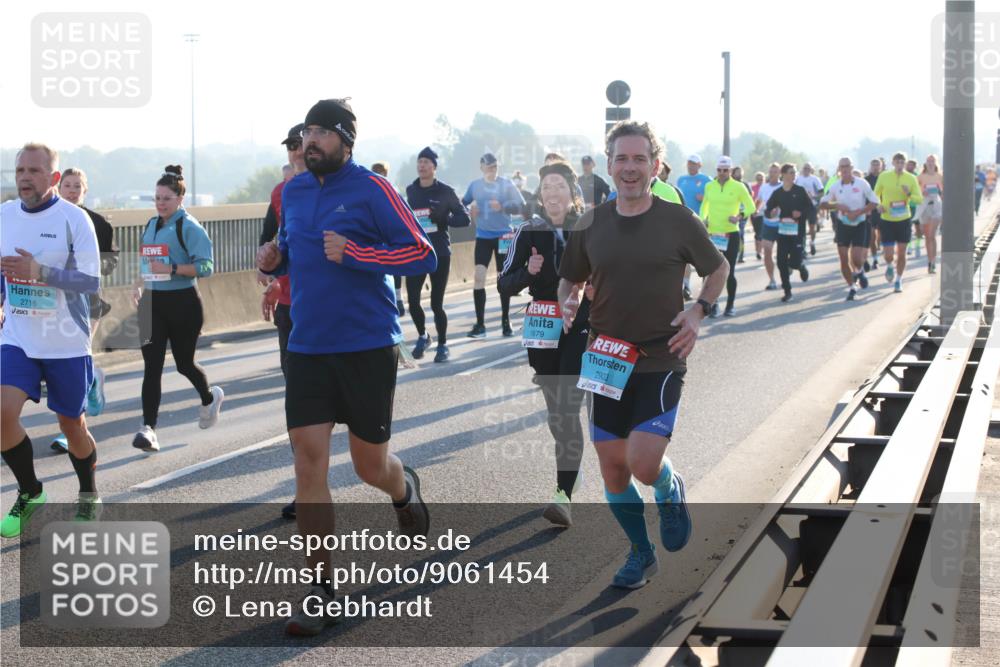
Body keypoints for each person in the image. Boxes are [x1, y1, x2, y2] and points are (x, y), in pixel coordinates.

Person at [256, 98, 437, 636]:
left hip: (366, 345)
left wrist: (358, 253)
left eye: (321, 132)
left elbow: (422, 253)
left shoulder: (373, 189)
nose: (309, 141)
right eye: (306, 132)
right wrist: (275, 260)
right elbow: (293, 248)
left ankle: (402, 488)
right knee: (308, 463)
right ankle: (320, 590)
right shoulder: (293, 192)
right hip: (308, 345)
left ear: (346, 140)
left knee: (368, 467)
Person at [558, 121, 728, 588]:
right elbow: (571, 276)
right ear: (609, 164)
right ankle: (640, 552)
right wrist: (568, 299)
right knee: (613, 469)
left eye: (639, 159)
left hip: (660, 356)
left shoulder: (678, 220)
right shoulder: (590, 222)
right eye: (622, 159)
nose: (630, 168)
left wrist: (698, 310)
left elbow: (718, 268)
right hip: (605, 357)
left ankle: (669, 489)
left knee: (643, 463)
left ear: (655, 165)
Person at [1, 143, 103, 536]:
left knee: (72, 425)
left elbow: (90, 281)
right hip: (18, 336)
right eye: (20, 170)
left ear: (54, 177)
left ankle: (89, 493)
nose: (25, 177)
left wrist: (39, 271)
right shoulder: (4, 216)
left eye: (34, 171)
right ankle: (31, 492)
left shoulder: (74, 219)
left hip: (65, 340)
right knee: (1, 413)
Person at [498, 160, 590, 526]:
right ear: (540, 193)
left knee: (567, 405)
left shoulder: (587, 228)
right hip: (542, 325)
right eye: (547, 186)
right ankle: (571, 470)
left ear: (572, 192)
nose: (553, 193)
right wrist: (528, 272)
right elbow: (504, 283)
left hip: (580, 322)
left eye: (560, 186)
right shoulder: (528, 231)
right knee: (557, 413)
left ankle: (562, 495)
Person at [131, 166, 224, 453]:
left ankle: (209, 398)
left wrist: (171, 268)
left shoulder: (189, 227)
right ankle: (148, 429)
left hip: (183, 303)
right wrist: (139, 283)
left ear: (180, 199)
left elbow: (206, 267)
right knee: (152, 366)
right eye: (157, 198)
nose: (160, 203)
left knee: (184, 364)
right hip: (151, 303)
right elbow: (147, 261)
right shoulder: (151, 224)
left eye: (166, 198)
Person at [49, 167, 120, 452]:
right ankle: (92, 381)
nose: (72, 190)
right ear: (58, 188)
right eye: (67, 185)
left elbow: (111, 261)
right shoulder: (50, 219)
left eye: (77, 186)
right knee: (65, 363)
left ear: (85, 191)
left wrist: (91, 265)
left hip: (88, 300)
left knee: (75, 359)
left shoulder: (97, 223)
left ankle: (72, 432)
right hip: (56, 300)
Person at [259, 123, 306, 520]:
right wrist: (274, 274)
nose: (295, 150)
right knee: (299, 402)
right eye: (290, 145)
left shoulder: (354, 189)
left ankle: (393, 480)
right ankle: (306, 489)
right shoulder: (282, 193)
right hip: (292, 309)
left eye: (301, 143)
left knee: (367, 449)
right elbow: (281, 244)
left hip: (336, 312)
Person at [405, 146, 471, 363]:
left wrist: (444, 219)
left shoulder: (446, 191)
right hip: (417, 252)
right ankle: (423, 336)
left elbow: (465, 219)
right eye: (419, 161)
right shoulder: (411, 191)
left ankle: (443, 345)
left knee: (436, 304)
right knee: (413, 301)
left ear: (434, 167)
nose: (421, 165)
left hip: (440, 252)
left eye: (426, 162)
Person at [462, 153, 525, 338]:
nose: (493, 170)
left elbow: (521, 206)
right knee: (479, 276)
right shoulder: (475, 186)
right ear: (482, 168)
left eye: (495, 167)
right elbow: (461, 205)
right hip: (483, 236)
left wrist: (503, 207)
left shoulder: (506, 184)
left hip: (504, 236)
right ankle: (480, 325)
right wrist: (470, 211)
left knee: (502, 278)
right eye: (489, 167)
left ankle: (506, 321)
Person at [700, 156, 757, 316]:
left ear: (730, 171)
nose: (722, 173)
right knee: (710, 271)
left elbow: (751, 207)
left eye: (725, 170)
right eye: (719, 170)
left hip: (731, 234)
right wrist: (703, 220)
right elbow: (704, 206)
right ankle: (712, 305)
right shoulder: (709, 186)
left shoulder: (738, 187)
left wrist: (739, 216)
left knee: (729, 272)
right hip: (713, 233)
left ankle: (730, 305)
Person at [820, 157, 880, 301]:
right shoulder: (835, 186)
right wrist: (837, 205)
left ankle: (859, 270)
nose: (845, 169)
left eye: (847, 166)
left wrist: (859, 212)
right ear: (839, 169)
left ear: (852, 168)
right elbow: (822, 203)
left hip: (859, 223)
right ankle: (852, 286)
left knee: (856, 258)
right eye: (842, 166)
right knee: (843, 258)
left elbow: (874, 202)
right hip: (843, 224)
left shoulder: (861, 183)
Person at [874, 152, 923, 293]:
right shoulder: (884, 176)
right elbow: (875, 194)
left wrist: (908, 194)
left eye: (902, 162)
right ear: (893, 163)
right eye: (897, 162)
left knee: (902, 253)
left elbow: (919, 199)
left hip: (904, 220)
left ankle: (898, 280)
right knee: (888, 254)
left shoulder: (911, 178)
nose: (900, 165)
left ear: (905, 164)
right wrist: (878, 205)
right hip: (887, 220)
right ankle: (890, 265)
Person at [765, 164, 813, 302]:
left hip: (798, 232)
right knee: (781, 261)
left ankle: (801, 266)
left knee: (794, 262)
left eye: (795, 172)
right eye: (791, 172)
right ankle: (787, 291)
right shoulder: (778, 193)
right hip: (783, 232)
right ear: (784, 174)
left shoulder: (800, 190)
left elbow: (810, 208)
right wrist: (771, 213)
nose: (794, 175)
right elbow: (768, 209)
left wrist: (801, 213)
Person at [372, 161, 407, 317]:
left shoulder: (392, 189)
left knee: (395, 266)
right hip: (377, 236)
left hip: (390, 233)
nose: (377, 173)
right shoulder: (369, 189)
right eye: (374, 171)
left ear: (385, 173)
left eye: (380, 171)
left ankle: (398, 298)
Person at [676, 154, 712, 300]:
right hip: (683, 223)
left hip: (700, 224)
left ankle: (707, 290)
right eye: (689, 163)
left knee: (703, 258)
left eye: (694, 164)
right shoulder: (681, 180)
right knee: (684, 257)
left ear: (699, 165)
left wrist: (704, 199)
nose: (691, 166)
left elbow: (713, 199)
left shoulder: (706, 180)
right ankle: (686, 287)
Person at [756, 163, 783, 290]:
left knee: (783, 253)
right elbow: (759, 200)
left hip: (783, 224)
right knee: (767, 252)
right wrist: (756, 210)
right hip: (767, 223)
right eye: (771, 171)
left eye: (775, 172)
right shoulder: (764, 187)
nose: (772, 174)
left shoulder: (783, 186)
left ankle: (788, 268)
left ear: (780, 173)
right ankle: (772, 280)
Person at [916, 154, 943, 273]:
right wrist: (922, 192)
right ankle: (929, 260)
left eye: (932, 161)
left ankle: (933, 262)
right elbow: (915, 191)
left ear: (936, 163)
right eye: (928, 161)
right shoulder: (920, 177)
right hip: (924, 207)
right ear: (925, 163)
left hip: (936, 206)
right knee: (927, 237)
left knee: (932, 235)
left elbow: (944, 192)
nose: (930, 163)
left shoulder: (940, 176)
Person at [795, 163, 825, 256]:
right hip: (800, 206)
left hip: (812, 205)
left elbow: (822, 192)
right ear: (802, 169)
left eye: (808, 168)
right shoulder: (798, 179)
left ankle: (812, 242)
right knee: (801, 228)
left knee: (812, 226)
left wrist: (814, 197)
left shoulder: (815, 179)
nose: (806, 170)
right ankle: (802, 248)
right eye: (805, 168)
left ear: (811, 170)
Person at [865, 158, 883, 271]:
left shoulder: (884, 178)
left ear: (880, 166)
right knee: (872, 237)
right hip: (870, 211)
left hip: (883, 210)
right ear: (870, 167)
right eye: (873, 165)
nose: (875, 167)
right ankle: (875, 259)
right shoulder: (866, 180)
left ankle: (884, 251)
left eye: (877, 165)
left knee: (882, 236)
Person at [732, 166, 752, 263]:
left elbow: (750, 197)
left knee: (741, 234)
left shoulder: (745, 184)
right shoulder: (730, 184)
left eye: (741, 172)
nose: (739, 174)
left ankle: (741, 255)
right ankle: (732, 253)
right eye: (737, 172)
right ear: (733, 173)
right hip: (732, 213)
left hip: (742, 213)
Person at [905, 158, 923, 258]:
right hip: (906, 205)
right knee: (908, 228)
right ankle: (909, 246)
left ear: (915, 167)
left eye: (912, 165)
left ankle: (917, 246)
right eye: (908, 164)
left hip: (916, 205)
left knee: (918, 228)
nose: (910, 166)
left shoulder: (917, 176)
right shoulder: (903, 176)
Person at [750, 171, 765, 260]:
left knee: (761, 233)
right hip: (754, 213)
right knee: (757, 233)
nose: (760, 181)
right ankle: (757, 251)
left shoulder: (766, 187)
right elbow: (750, 199)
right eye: (758, 179)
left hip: (764, 213)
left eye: (761, 179)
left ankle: (759, 252)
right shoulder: (752, 188)